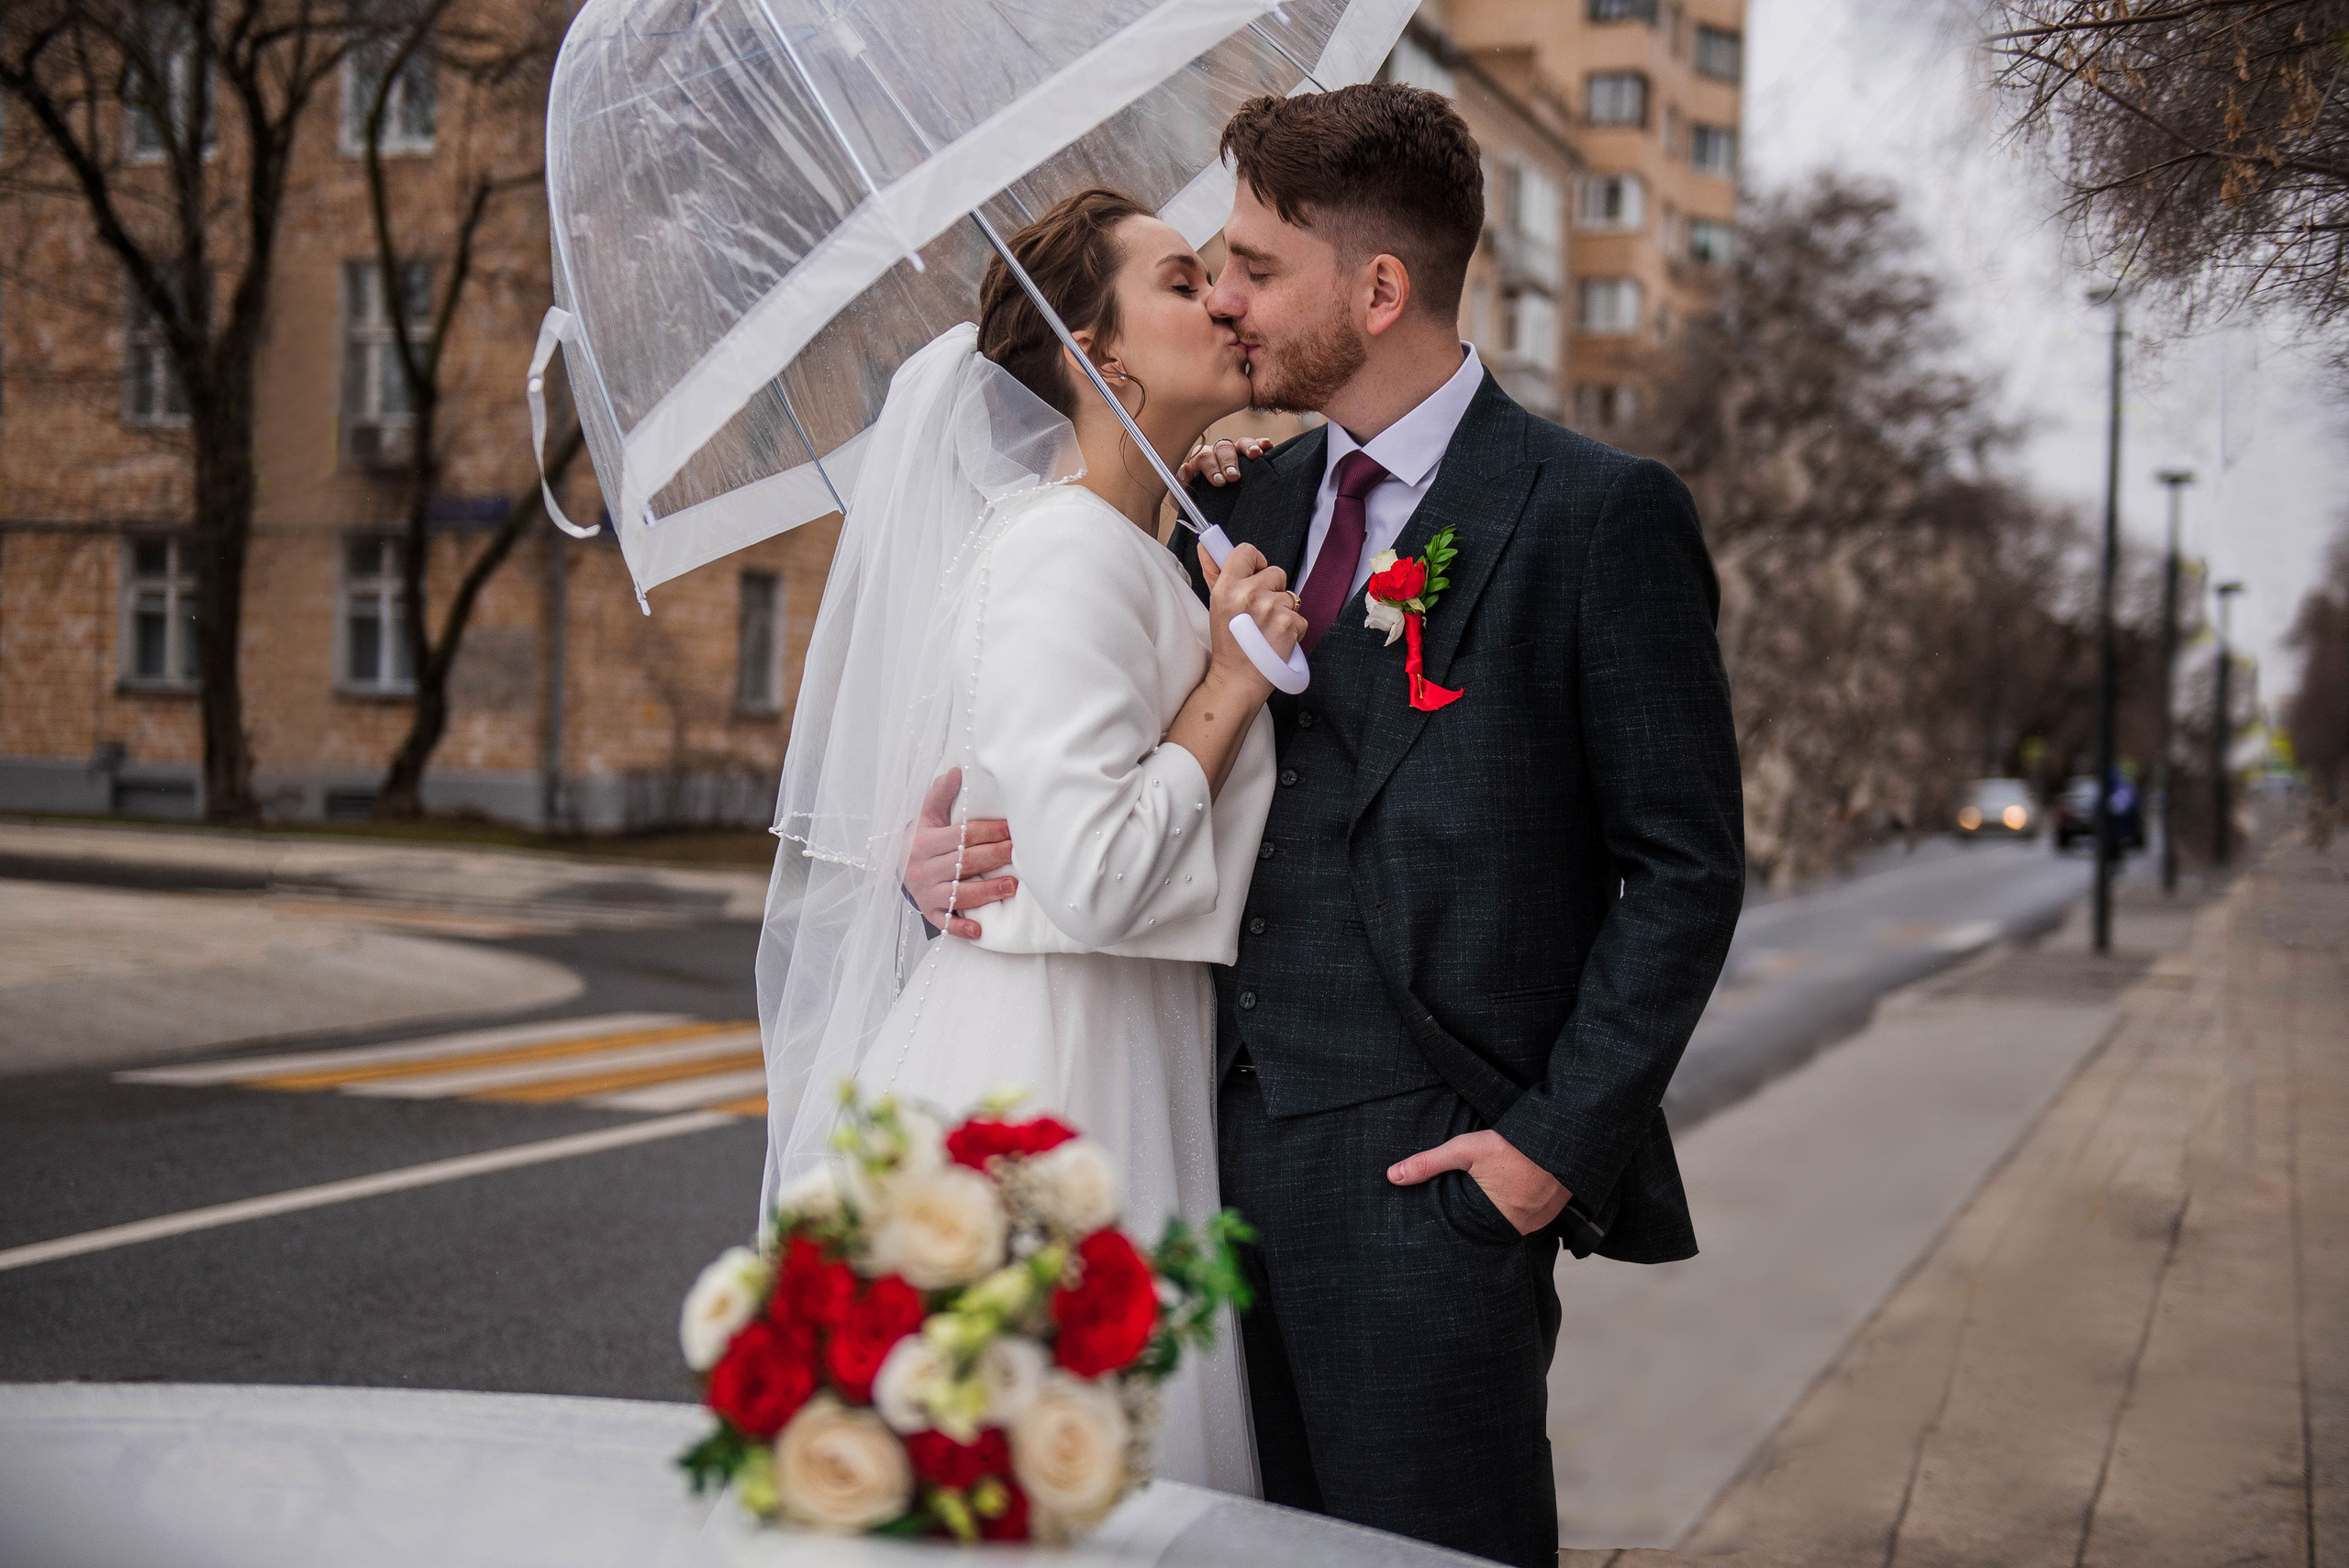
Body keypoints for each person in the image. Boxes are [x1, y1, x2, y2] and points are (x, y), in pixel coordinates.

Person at [909, 87, 1745, 1566]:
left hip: (1431, 1203)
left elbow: (1683, 869)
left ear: (1376, 291)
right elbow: (1079, 748)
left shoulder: (1595, 514)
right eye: (1208, 270)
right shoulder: (1229, 504)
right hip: (1190, 1169)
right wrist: (956, 859)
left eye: (1253, 265)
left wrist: (1545, 1152)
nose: (1225, 301)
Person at [762, 189, 1305, 1499]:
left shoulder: (1125, 539)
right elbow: (1099, 871)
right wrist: (1234, 681)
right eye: (1183, 281)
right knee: (1068, 1462)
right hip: (1060, 1060)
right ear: (1097, 354)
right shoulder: (1068, 551)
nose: (1224, 298)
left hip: (1094, 1027)